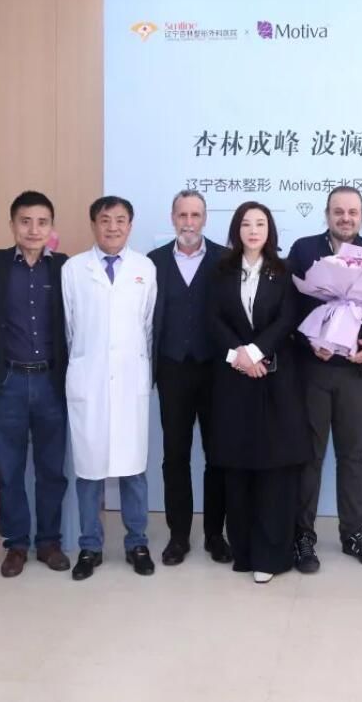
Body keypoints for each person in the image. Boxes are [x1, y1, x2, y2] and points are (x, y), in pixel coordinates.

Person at [206, 201, 311, 583]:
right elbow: (212, 319)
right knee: (238, 467)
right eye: (246, 224)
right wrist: (238, 355)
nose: (253, 230)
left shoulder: (284, 271)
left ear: (270, 230)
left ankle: (272, 555)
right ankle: (244, 551)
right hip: (234, 382)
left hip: (275, 380)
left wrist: (255, 351)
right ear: (236, 229)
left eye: (260, 224)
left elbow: (287, 319)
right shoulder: (220, 270)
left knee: (275, 468)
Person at [288, 186, 362, 572]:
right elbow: (288, 306)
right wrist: (309, 340)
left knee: (353, 455)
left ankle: (353, 533)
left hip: (357, 371)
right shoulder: (304, 250)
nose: (346, 218)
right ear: (327, 214)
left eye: (353, 212)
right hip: (312, 369)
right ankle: (302, 537)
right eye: (338, 211)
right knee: (308, 455)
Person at [63, 196, 158, 579]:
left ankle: (137, 543)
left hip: (129, 381)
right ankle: (90, 546)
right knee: (89, 471)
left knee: (133, 470)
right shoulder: (73, 269)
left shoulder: (144, 268)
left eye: (120, 220)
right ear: (94, 225)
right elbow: (68, 327)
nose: (113, 227)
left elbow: (147, 326)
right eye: (105, 220)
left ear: (130, 226)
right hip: (89, 381)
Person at [0, 191, 71, 577]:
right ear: (12, 224)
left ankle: (49, 541)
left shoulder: (65, 268)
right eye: (25, 221)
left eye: (42, 222)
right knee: (9, 469)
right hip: (9, 382)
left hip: (52, 382)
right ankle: (16, 544)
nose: (34, 229)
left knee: (52, 468)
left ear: (51, 227)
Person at [148, 190, 231, 566]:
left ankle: (215, 535)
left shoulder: (225, 260)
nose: (189, 222)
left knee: (218, 456)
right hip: (172, 371)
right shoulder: (153, 262)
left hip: (216, 371)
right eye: (182, 215)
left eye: (195, 215)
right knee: (175, 456)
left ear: (205, 218)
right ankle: (178, 536)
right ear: (172, 218)